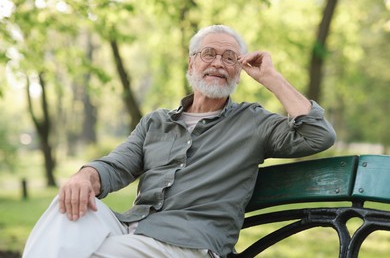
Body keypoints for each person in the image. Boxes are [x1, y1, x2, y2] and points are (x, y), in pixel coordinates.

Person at [23, 25, 336, 258]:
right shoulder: (157, 122)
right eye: (208, 54)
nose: (218, 63)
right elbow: (118, 164)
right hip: (136, 228)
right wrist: (85, 176)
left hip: (188, 245)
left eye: (230, 58)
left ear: (238, 73)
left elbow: (316, 135)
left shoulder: (252, 122)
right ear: (191, 64)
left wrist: (271, 78)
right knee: (67, 204)